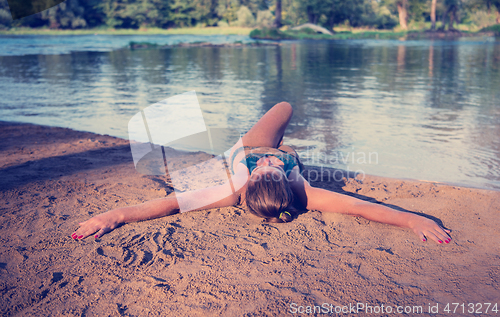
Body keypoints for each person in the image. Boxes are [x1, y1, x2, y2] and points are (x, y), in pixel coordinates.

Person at [72, 102, 451, 244]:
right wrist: (411, 219)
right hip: (282, 152)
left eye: (264, 171)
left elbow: (171, 205)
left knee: (282, 107)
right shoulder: (303, 191)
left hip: (248, 147)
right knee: (286, 106)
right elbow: (362, 207)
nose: (267, 165)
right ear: (288, 183)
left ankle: (227, 153)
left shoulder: (234, 188)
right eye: (268, 170)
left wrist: (113, 216)